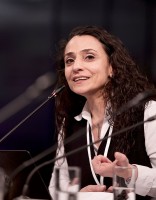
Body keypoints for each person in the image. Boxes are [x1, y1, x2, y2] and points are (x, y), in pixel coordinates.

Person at [48, 25, 156, 199]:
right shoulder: (69, 126)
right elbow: (56, 190)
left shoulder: (148, 113)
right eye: (69, 61)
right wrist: (75, 196)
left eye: (89, 57)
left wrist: (130, 174)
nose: (76, 67)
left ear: (112, 67)